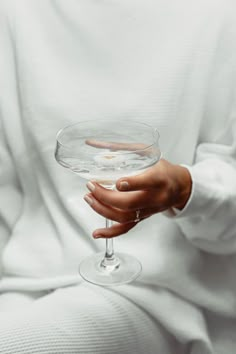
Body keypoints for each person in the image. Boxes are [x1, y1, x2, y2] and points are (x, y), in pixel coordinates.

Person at [0, 0, 236, 353]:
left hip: (155, 292)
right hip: (21, 283)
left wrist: (184, 189)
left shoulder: (220, 13)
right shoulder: (16, 11)